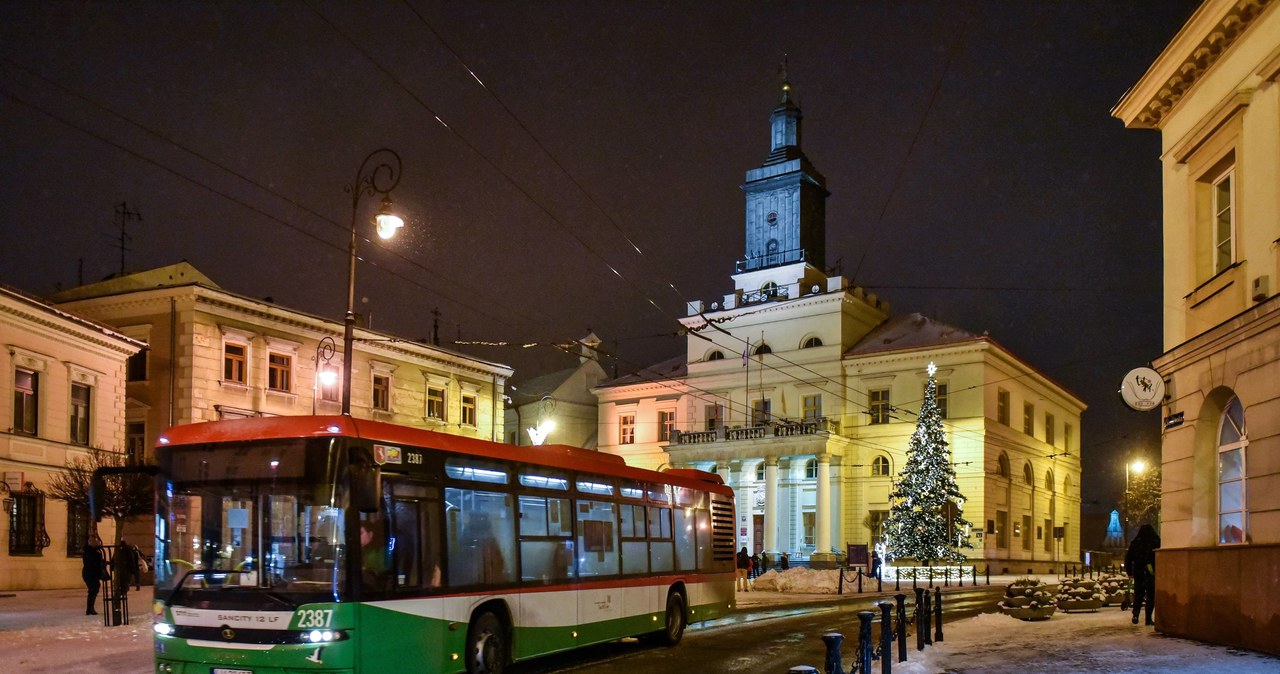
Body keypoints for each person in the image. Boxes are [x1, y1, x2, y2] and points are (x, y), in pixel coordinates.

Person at [1125, 524, 1160, 626]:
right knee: (1150, 596)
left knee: (1138, 595)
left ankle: (1136, 614)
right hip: (1151, 573)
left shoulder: (1135, 543)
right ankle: (1148, 618)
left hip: (1138, 572)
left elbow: (1128, 559)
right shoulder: (1155, 542)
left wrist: (1129, 572)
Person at [81, 534, 105, 615]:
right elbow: (95, 563)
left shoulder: (90, 552)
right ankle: (89, 609)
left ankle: (90, 609)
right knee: (93, 591)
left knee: (93, 591)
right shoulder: (91, 552)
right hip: (91, 574)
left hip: (90, 573)